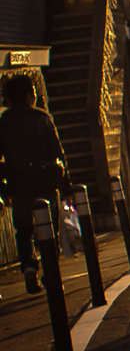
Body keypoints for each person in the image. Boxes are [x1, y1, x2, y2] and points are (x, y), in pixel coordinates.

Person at [0, 74, 68, 294]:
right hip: (45, 182)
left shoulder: (4, 123)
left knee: (24, 231)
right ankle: (50, 273)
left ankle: (29, 268)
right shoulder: (43, 119)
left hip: (18, 185)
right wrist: (66, 187)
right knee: (49, 230)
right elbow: (57, 154)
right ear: (30, 96)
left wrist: (3, 187)